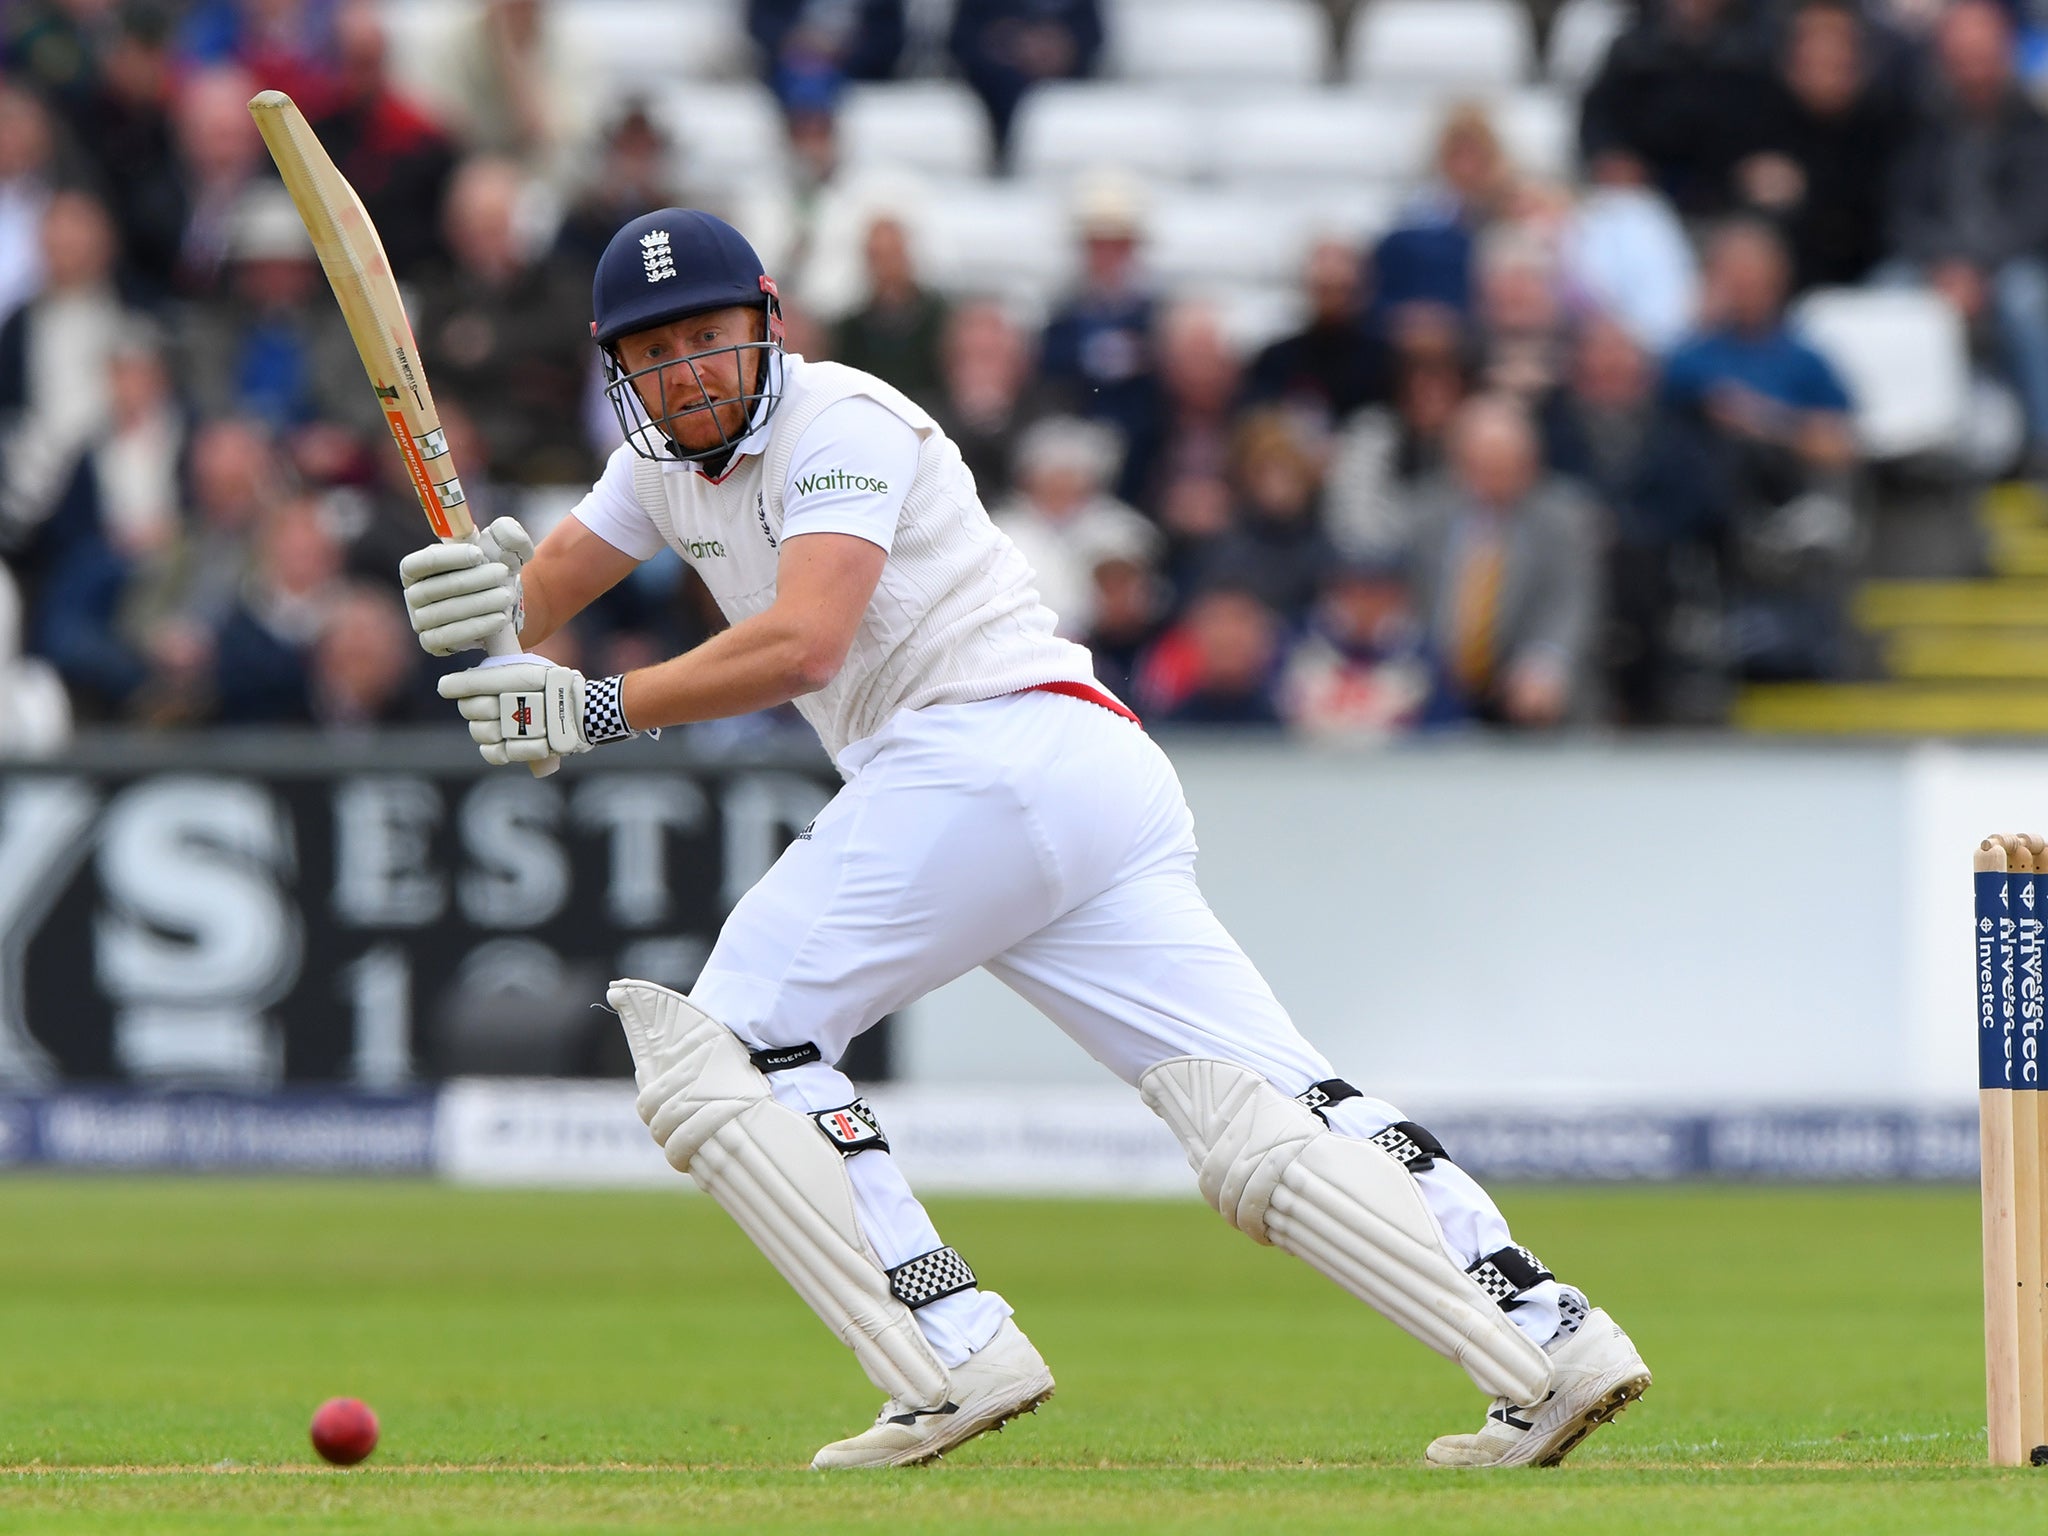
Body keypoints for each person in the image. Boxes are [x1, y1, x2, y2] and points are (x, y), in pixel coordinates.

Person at [394, 207, 1651, 1471]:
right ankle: (1549, 1336)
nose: (688, 373)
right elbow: (544, 583)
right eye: (655, 355)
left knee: (729, 1048)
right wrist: (483, 604)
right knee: (1260, 1102)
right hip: (1061, 775)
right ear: (621, 370)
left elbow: (804, 641)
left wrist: (595, 706)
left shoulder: (844, 421)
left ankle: (949, 1344)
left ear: (765, 323)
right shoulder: (657, 463)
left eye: (709, 340)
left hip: (981, 752)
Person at [1886, 0, 2048, 465]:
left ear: (2006, 54)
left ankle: (2041, 449)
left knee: (2025, 298)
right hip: (1934, 265)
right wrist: (1944, 266)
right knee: (1886, 291)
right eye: (1961, 57)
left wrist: (1976, 271)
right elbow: (1902, 212)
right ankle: (1905, 450)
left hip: (2009, 264)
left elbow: (2034, 218)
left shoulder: (2034, 125)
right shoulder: (1919, 123)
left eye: (1982, 55)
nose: (1972, 68)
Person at [1407, 395, 1603, 728]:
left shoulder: (1565, 518)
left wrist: (1544, 663)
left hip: (1523, 683)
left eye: (1509, 468)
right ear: (1458, 463)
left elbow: (1570, 603)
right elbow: (1404, 596)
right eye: (1483, 468)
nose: (1496, 481)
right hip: (1435, 679)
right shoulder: (1423, 514)